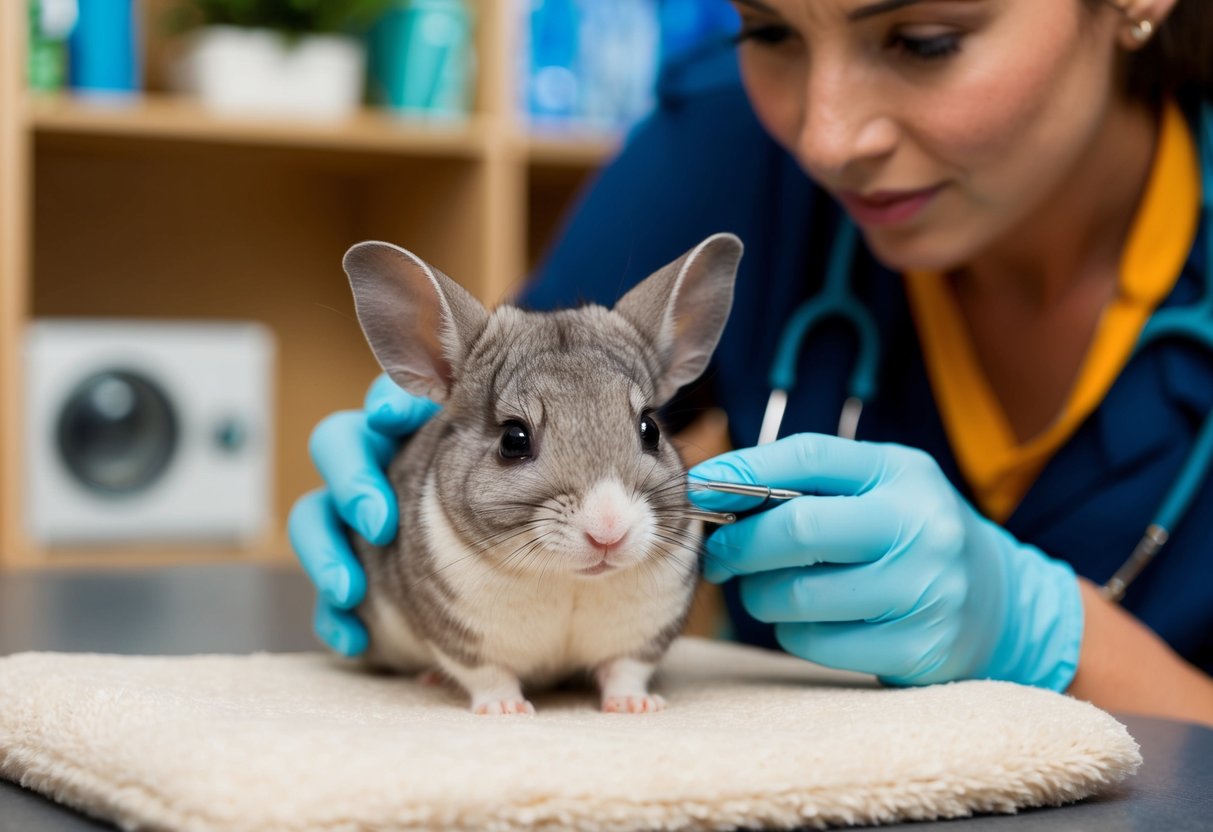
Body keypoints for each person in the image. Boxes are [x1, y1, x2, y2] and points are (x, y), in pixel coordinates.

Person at [290, 0, 1213, 725]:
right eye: (767, 29)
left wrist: (1048, 632)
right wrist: (406, 481)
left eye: (924, 40)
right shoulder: (720, 146)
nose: (825, 138)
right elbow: (528, 384)